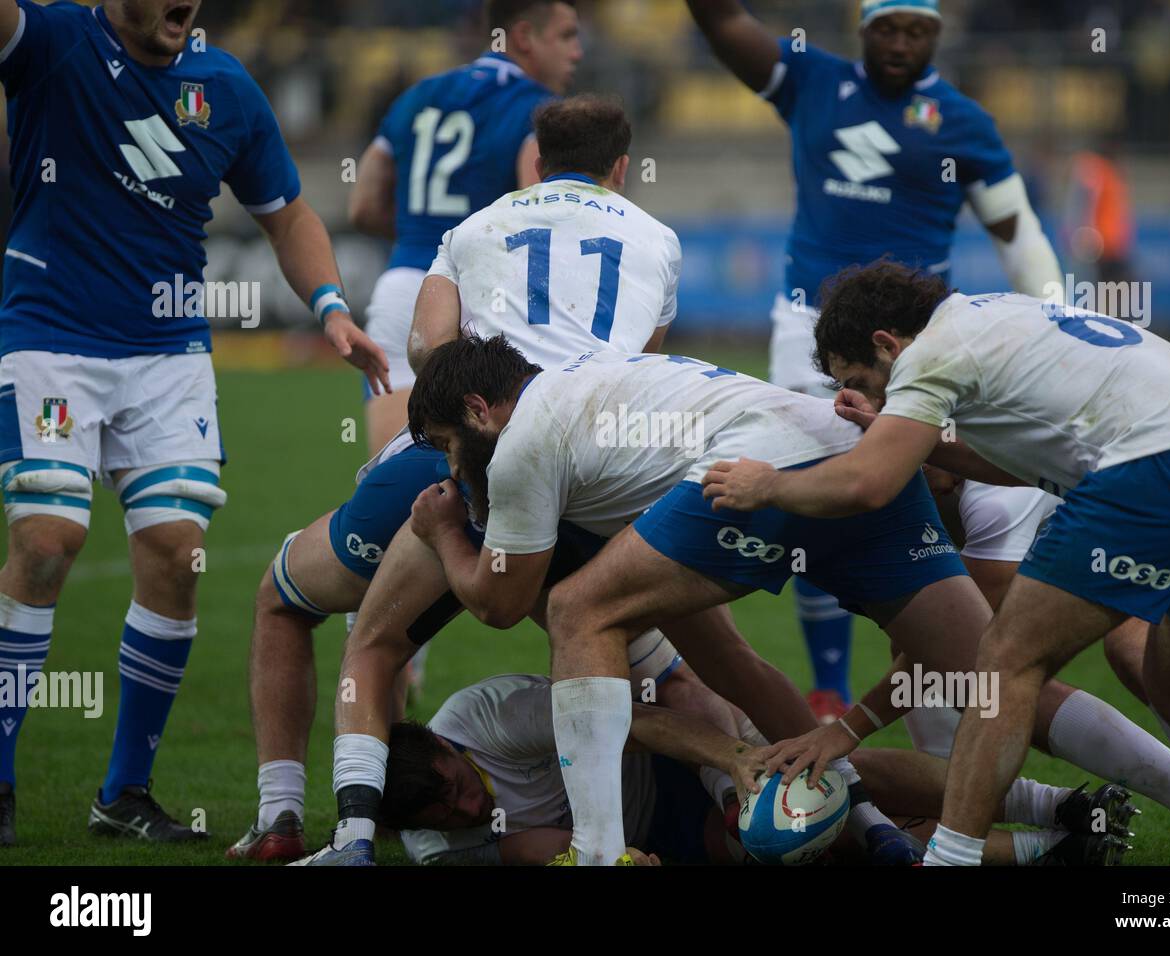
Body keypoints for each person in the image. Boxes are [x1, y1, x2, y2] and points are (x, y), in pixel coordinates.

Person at [402, 335, 1170, 866]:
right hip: (855, 457)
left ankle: (595, 854)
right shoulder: (583, 375)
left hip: (756, 477)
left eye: (447, 446)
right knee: (993, 668)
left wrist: (445, 535)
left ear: (480, 409)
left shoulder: (515, 448)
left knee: (577, 612)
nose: (449, 469)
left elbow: (504, 602)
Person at [701, 260, 1170, 867]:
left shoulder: (928, 355)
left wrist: (769, 484)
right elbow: (1018, 463)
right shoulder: (995, 317)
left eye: (863, 380)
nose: (878, 400)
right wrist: (904, 433)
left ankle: (950, 860)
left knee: (1001, 665)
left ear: (887, 344)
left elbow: (868, 484)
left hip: (1161, 471)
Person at [231, 94, 681, 861]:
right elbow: (643, 375)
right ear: (623, 168)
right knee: (666, 677)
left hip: (459, 467)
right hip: (591, 485)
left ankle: (302, 825)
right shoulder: (658, 239)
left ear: (534, 161)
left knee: (292, 605)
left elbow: (432, 355)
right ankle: (809, 798)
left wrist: (466, 431)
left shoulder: (476, 228)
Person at [0, 0, 387, 848]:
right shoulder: (56, 40)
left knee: (177, 554)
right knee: (47, 538)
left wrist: (328, 305)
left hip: (168, 354)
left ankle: (123, 792)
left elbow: (286, 213)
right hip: (50, 340)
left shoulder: (226, 86)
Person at [682, 0, 1063, 723]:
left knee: (918, 490)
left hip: (916, 346)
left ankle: (936, 660)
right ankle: (830, 689)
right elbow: (723, 23)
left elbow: (1018, 230)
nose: (900, 43)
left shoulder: (965, 123)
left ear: (938, 35)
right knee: (814, 490)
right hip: (808, 331)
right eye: (887, 28)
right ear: (862, 29)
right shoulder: (809, 79)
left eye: (917, 31)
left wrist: (1056, 313)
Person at [383, 674, 1135, 866]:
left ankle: (1059, 802)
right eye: (442, 816)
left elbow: (635, 723)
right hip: (654, 827)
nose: (463, 809)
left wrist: (739, 768)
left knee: (830, 776)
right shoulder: (439, 845)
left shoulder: (484, 717)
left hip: (679, 750)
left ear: (447, 749)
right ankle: (1057, 847)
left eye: (455, 789)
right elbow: (541, 851)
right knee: (802, 841)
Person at [349, 0, 581, 456]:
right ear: (524, 37)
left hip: (403, 289)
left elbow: (362, 206)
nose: (578, 52)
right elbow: (537, 217)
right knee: (486, 482)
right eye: (567, 36)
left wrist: (424, 236)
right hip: (478, 299)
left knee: (386, 473)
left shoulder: (417, 95)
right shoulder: (536, 110)